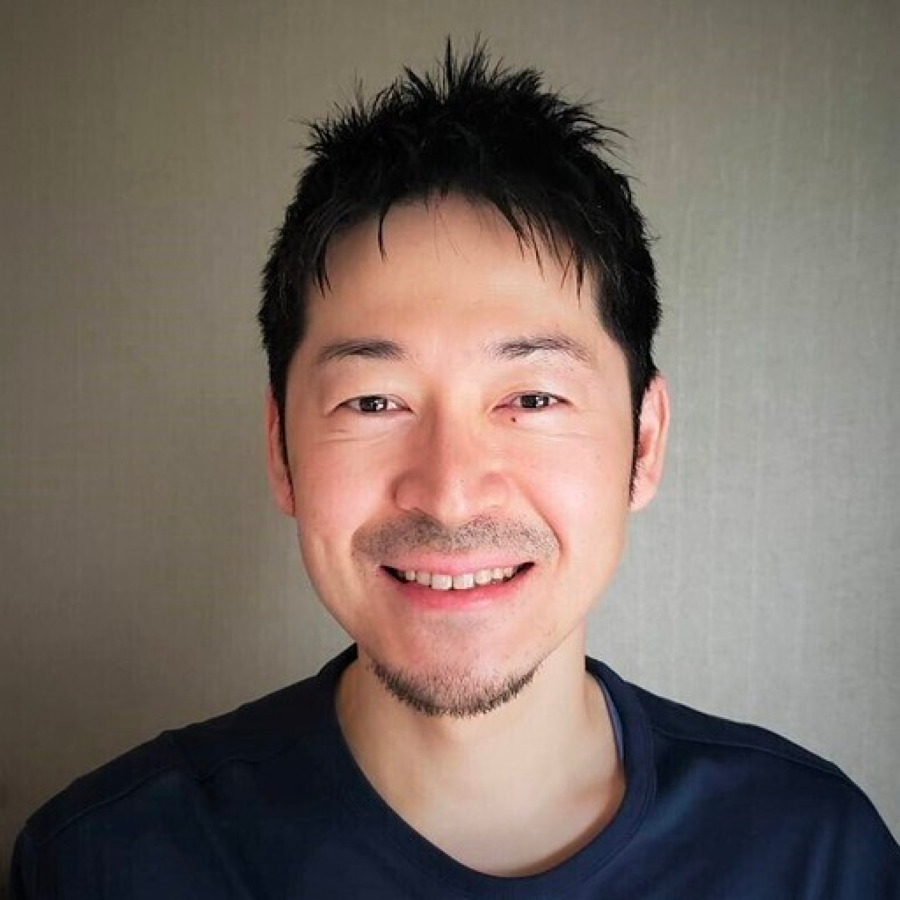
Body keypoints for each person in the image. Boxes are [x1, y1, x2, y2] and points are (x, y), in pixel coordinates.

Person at [9, 43, 899, 899]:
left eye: (534, 399)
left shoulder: (818, 853)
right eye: (373, 401)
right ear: (280, 450)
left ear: (645, 440)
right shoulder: (100, 861)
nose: (449, 488)